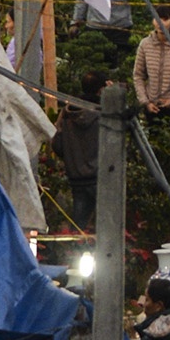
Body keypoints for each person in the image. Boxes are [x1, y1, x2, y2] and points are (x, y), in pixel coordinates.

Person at [54, 67, 104, 227]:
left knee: (78, 227)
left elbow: (57, 144)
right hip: (100, 175)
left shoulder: (67, 113)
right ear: (101, 90)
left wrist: (71, 157)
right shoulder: (105, 113)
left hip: (76, 177)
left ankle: (76, 249)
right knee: (109, 224)